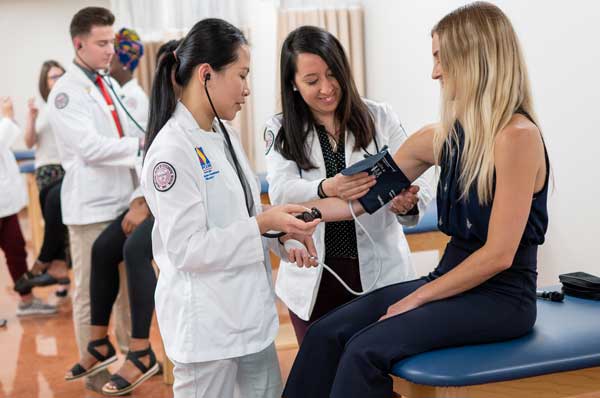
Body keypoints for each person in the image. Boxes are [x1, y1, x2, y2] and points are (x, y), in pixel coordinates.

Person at [282, 2, 549, 397]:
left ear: (473, 58)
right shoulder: (439, 137)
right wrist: (288, 219)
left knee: (364, 349)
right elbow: (360, 199)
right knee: (327, 332)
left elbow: (499, 255)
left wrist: (418, 297)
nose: (435, 72)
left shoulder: (518, 137)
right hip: (450, 280)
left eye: (441, 58)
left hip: (501, 298)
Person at [141, 18, 319, 398]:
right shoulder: (171, 152)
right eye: (241, 75)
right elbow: (187, 249)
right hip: (207, 331)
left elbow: (248, 213)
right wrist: (262, 224)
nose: (248, 89)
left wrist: (283, 237)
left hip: (250, 321)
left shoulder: (224, 135)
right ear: (206, 74)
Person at [265, 26, 433, 343]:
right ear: (294, 84)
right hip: (316, 277)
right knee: (322, 378)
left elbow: (418, 176)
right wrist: (327, 187)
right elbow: (281, 192)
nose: (327, 88)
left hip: (382, 274)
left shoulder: (380, 116)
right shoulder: (281, 128)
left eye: (333, 75)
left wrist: (408, 202)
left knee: (379, 379)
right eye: (312, 81)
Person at [65, 41, 178, 397]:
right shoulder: (163, 108)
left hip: (172, 206)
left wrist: (145, 199)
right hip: (150, 198)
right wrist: (140, 198)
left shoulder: (193, 112)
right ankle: (100, 344)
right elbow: (146, 155)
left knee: (133, 251)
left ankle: (141, 349)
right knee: (103, 249)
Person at [47, 6, 142, 392]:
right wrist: (139, 144)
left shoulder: (108, 85)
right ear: (79, 43)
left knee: (122, 292)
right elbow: (88, 148)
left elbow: (132, 130)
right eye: (102, 43)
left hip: (121, 201)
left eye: (112, 41)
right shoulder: (66, 92)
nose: (110, 50)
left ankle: (126, 365)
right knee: (90, 293)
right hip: (90, 208)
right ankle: (96, 371)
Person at [15, 60, 70, 299]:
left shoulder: (68, 104)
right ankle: (60, 272)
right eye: (52, 77)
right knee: (53, 220)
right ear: (45, 83)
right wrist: (31, 117)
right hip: (46, 168)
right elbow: (29, 142)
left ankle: (50, 264)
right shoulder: (42, 109)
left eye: (60, 75)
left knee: (60, 220)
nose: (56, 80)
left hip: (66, 166)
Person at [0, 96, 57, 317]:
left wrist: (9, 117)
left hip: (6, 205)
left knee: (16, 250)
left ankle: (26, 300)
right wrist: (7, 117)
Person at [109, 27, 149, 131]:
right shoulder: (114, 90)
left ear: (125, 62)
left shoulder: (136, 98)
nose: (108, 60)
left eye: (112, 56)